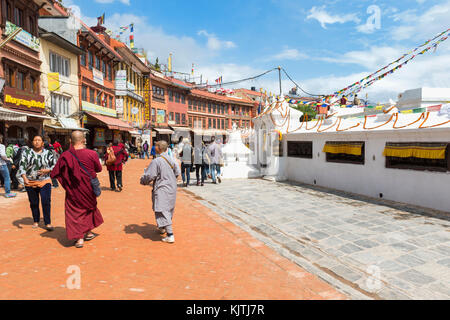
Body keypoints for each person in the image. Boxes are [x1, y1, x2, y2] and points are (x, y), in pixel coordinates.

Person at [51, 131, 104, 248]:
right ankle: (88, 233)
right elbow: (98, 169)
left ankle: (80, 238)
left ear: (70, 140)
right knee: (88, 208)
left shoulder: (65, 155)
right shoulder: (92, 153)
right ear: (84, 140)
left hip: (74, 189)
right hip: (88, 188)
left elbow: (57, 171)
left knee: (75, 212)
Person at [140, 140, 181, 243]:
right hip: (172, 187)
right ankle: (162, 228)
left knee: (162, 209)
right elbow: (178, 172)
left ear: (158, 148)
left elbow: (150, 175)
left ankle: (170, 235)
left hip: (162, 188)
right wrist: (170, 179)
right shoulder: (171, 159)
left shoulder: (157, 161)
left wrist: (143, 180)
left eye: (155, 146)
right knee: (169, 208)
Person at [18, 135, 56, 230]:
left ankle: (48, 222)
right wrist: (24, 178)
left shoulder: (48, 153)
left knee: (46, 201)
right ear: (32, 142)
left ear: (43, 143)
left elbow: (55, 165)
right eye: (35, 140)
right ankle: (36, 220)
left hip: (45, 180)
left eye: (39, 140)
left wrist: (48, 170)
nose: (37, 142)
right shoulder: (26, 153)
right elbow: (22, 166)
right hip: (30, 181)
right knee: (34, 202)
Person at [0, 134, 16, 198]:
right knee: (7, 178)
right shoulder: (1, 146)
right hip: (2, 164)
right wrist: (8, 159)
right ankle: (8, 192)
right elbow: (3, 155)